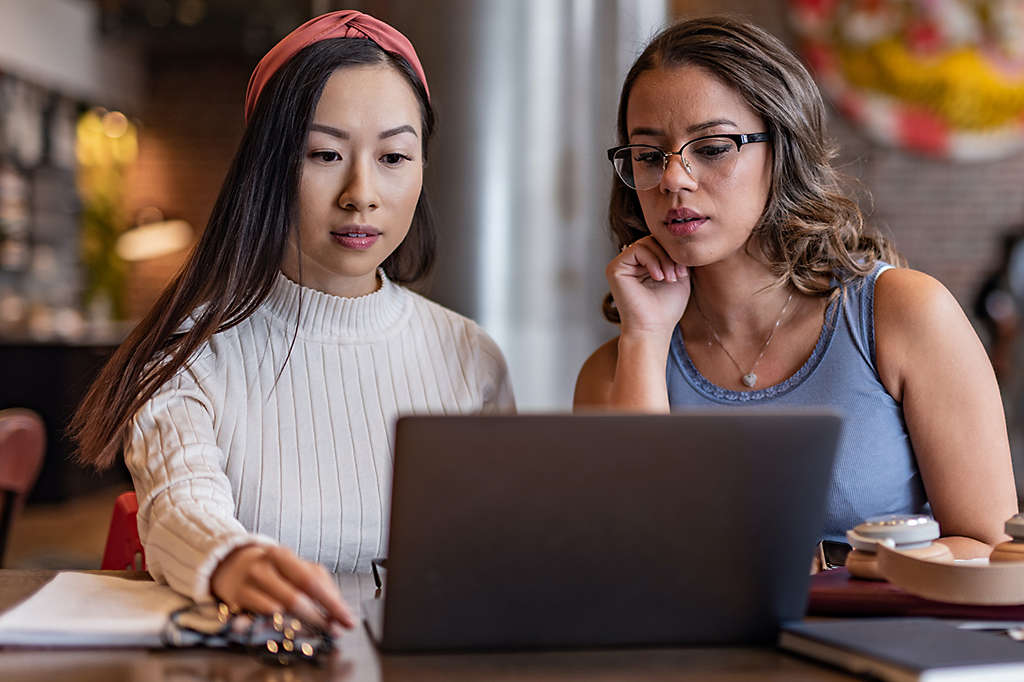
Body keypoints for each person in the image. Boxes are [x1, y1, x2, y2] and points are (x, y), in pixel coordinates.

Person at [71, 11, 514, 629]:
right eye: (325, 153)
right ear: (268, 166)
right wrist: (229, 560)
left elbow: (497, 552)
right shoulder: (190, 355)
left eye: (393, 156)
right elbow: (180, 504)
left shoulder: (472, 357)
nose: (361, 192)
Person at [573, 16, 1016, 560]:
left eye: (712, 147)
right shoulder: (610, 375)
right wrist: (644, 339)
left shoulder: (904, 313)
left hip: (877, 640)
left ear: (782, 151)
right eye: (648, 155)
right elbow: (623, 566)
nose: (673, 178)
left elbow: (993, 551)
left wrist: (823, 575)